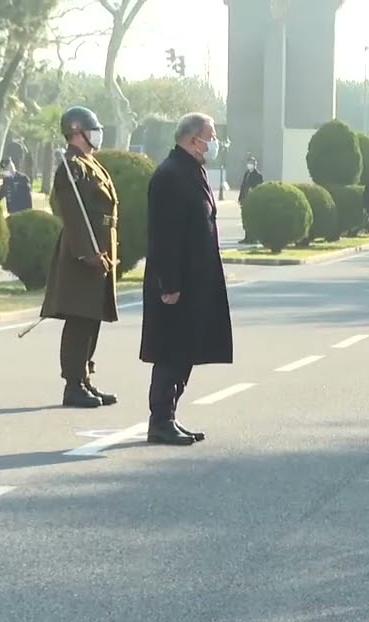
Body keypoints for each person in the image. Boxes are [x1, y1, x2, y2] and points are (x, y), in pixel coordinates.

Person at [140, 112, 234, 446]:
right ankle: (160, 420)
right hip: (175, 284)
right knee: (172, 352)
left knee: (186, 351)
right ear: (194, 139)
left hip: (196, 281)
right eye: (211, 136)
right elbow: (164, 235)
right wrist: (169, 284)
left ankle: (169, 416)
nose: (215, 143)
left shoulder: (192, 170)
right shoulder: (170, 175)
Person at [38, 106, 120, 409]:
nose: (96, 134)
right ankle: (73, 385)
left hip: (100, 250)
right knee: (79, 319)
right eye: (91, 130)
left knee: (92, 318)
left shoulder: (90, 163)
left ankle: (84, 378)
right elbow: (74, 216)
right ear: (76, 132)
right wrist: (89, 254)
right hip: (82, 254)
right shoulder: (71, 167)